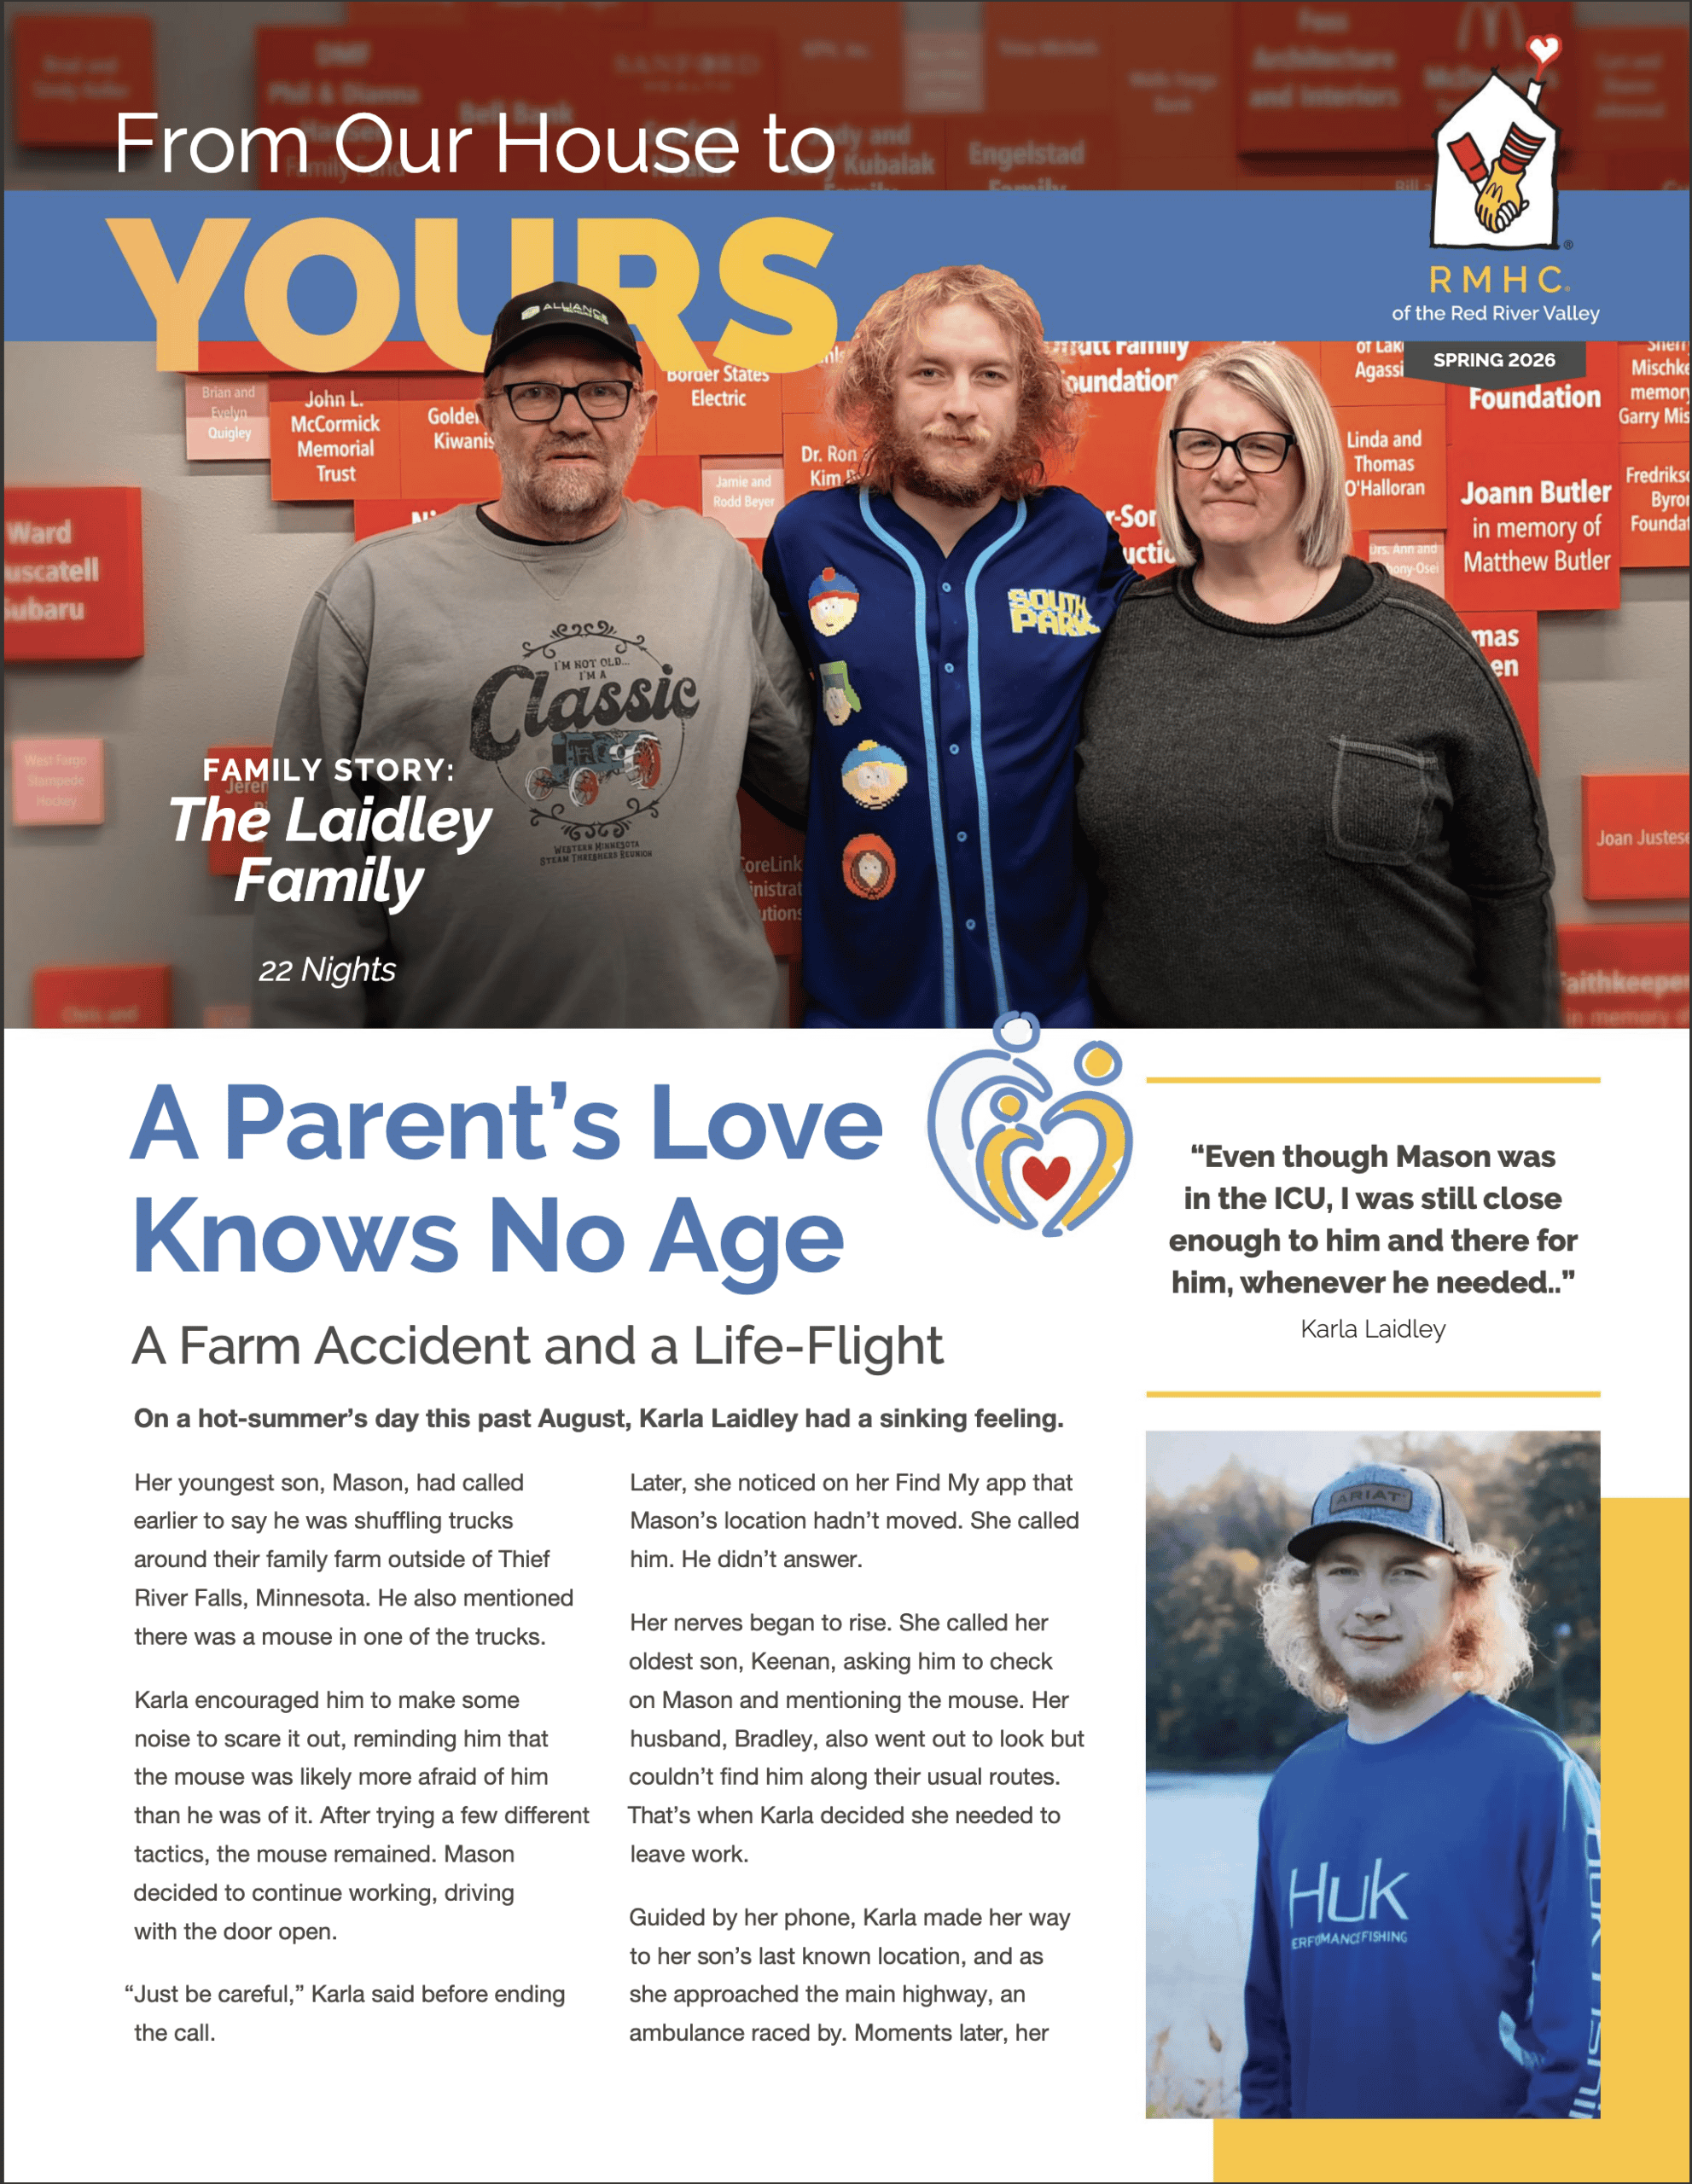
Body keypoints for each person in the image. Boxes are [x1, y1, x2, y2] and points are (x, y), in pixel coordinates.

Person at [253, 281, 809, 1027]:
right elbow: (315, 875)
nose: (571, 419)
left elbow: (814, 779)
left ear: (643, 413)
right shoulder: (374, 591)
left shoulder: (713, 564)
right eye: (535, 394)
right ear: (484, 414)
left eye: (603, 392)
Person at [1075, 344, 1559, 1027]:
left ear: (1312, 463)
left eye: (1260, 446)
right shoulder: (1116, 638)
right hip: (1166, 1100)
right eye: (1201, 445)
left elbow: (1509, 887)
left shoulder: (1419, 640)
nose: (1225, 470)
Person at [763, 264, 1136, 1029]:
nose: (959, 405)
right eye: (929, 372)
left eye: (989, 376)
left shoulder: (1077, 538)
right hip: (864, 1019)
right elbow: (768, 726)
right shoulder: (807, 539)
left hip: (1052, 1014)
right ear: (882, 390)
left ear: (1025, 398)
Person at [1241, 1461, 1601, 2120]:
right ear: (1311, 1595)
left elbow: (1592, 2051)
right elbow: (1269, 2051)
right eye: (1342, 1571)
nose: (1370, 1603)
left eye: (1406, 1572)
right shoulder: (1294, 1786)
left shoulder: (1536, 1777)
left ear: (1463, 1597)